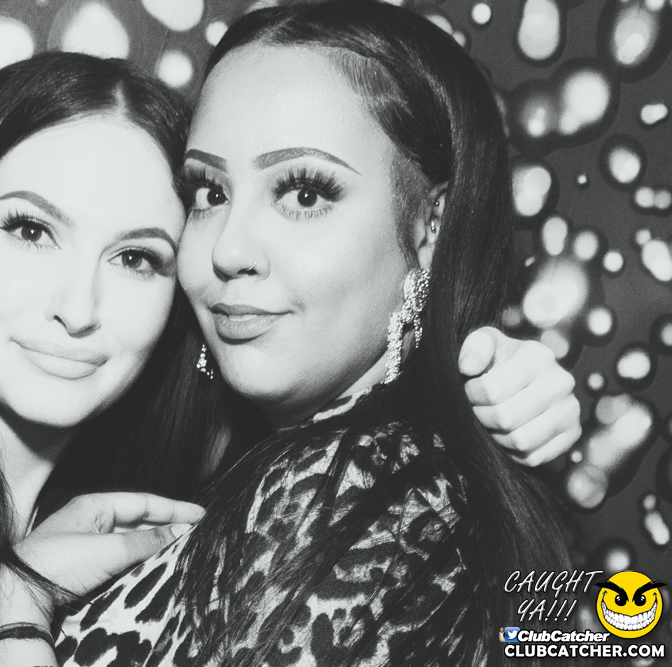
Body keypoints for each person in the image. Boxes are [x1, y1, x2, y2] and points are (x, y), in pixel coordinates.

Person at [0, 49, 574, 667]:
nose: (77, 307)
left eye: (137, 257)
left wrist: (485, 410)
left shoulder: (167, 492)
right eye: (31, 230)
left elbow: (582, 632)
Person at [41, 2, 577, 666]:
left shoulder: (374, 490)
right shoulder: (287, 464)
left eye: (302, 193)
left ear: (430, 229)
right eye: (210, 191)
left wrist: (9, 617)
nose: (229, 249)